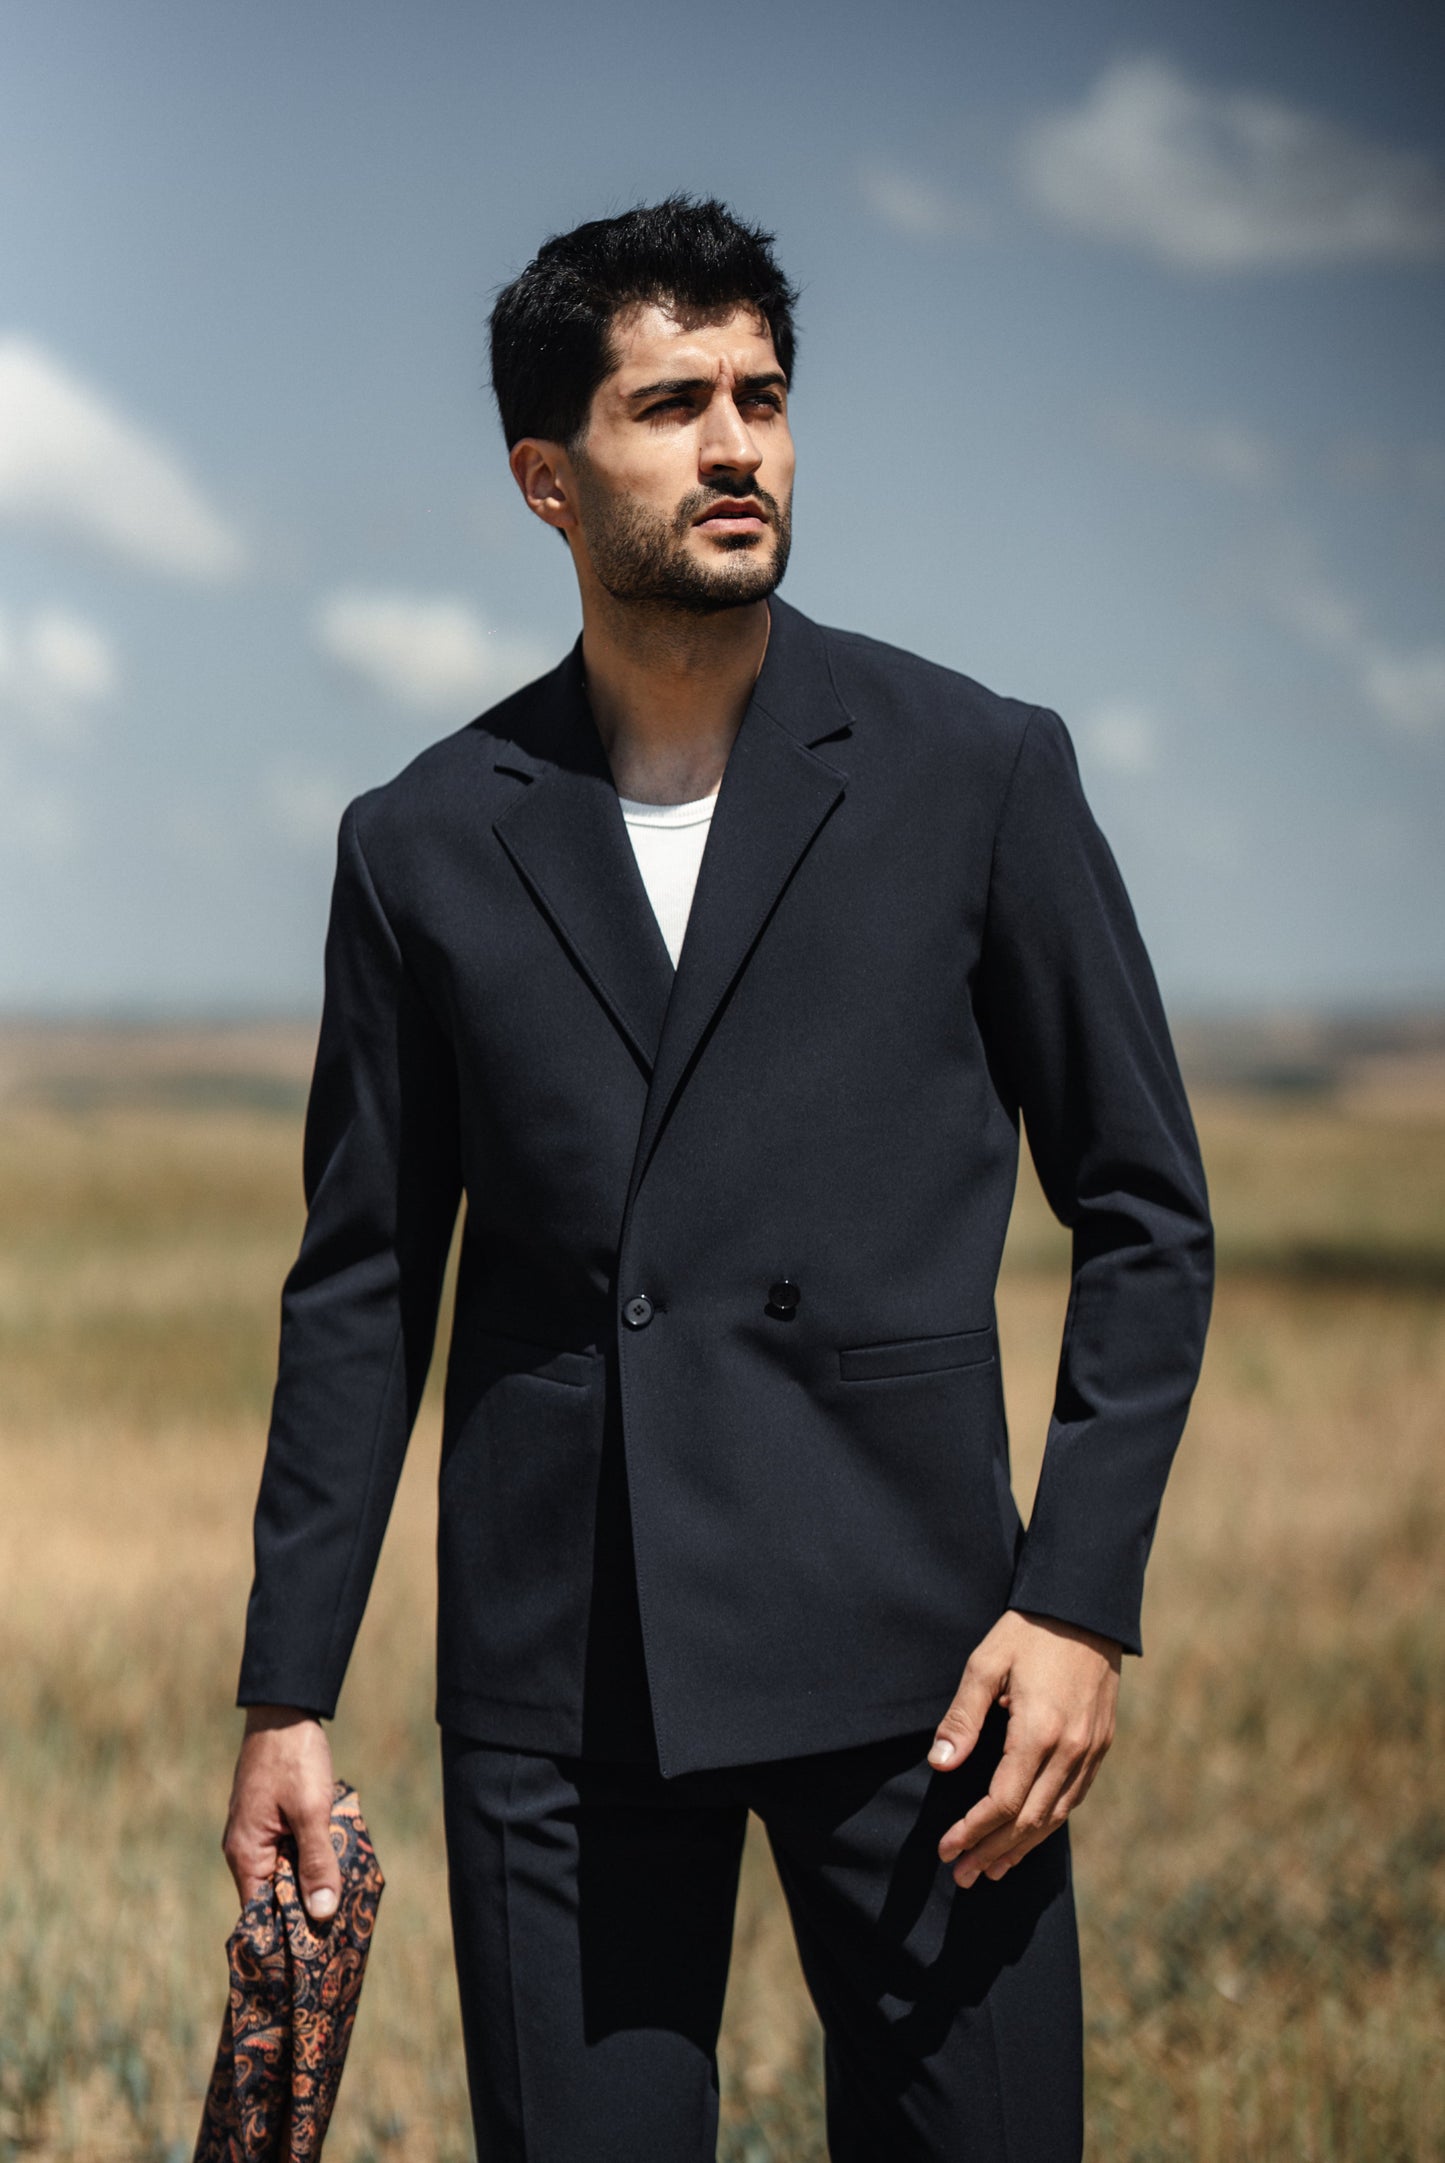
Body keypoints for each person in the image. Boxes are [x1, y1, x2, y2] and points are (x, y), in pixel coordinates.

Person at [222, 196, 1213, 2161]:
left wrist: (1079, 1601)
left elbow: (1146, 1208)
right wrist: (287, 1688)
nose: (739, 442)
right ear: (548, 477)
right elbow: (362, 1284)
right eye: (671, 404)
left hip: (937, 1669)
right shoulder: (422, 837)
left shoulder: (977, 769)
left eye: (761, 393)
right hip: (560, 1679)